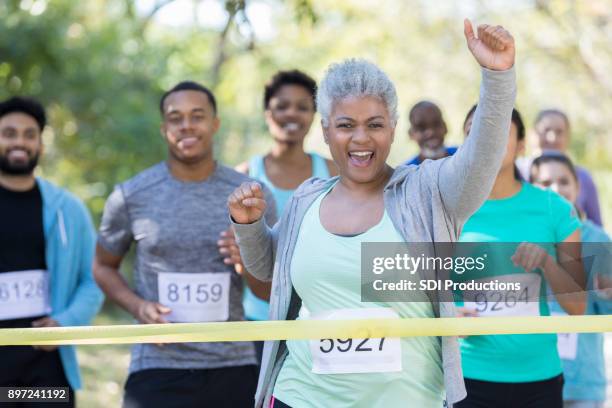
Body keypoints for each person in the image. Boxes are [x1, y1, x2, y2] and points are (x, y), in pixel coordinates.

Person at [229, 20, 517, 408]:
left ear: (394, 130)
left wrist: (496, 76)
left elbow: (482, 156)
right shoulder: (305, 200)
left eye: (375, 125)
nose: (361, 138)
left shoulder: (427, 192)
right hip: (301, 396)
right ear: (327, 131)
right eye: (346, 125)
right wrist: (248, 226)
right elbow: (267, 270)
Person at [93, 81, 275, 408]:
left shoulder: (252, 195)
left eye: (197, 116)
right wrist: (138, 307)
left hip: (232, 364)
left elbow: (267, 291)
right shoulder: (132, 195)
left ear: (215, 124)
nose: (186, 125)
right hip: (157, 364)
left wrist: (247, 260)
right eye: (176, 118)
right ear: (164, 129)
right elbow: (103, 266)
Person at [454, 107, 586, 408]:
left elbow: (577, 305)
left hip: (539, 378)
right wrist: (444, 309)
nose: (485, 137)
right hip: (468, 375)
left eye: (498, 128)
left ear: (522, 145)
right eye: (474, 129)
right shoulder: (448, 207)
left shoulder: (554, 208)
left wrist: (547, 263)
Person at [0, 96, 103, 406]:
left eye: (30, 135)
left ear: (41, 146)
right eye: (9, 133)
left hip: (46, 371)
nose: (20, 142)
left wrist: (65, 322)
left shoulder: (68, 209)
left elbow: (94, 277)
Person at [235, 70, 336, 352]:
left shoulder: (333, 173)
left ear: (314, 116)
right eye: (282, 106)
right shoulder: (242, 176)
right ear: (268, 113)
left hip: (317, 318)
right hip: (257, 318)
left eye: (302, 107)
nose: (292, 114)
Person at [531, 153, 612, 408]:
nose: (556, 188)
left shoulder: (597, 240)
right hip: (533, 379)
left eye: (564, 181)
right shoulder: (521, 238)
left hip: (583, 383)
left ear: (577, 187)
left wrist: (607, 294)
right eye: (545, 183)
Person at [517, 109, 603, 226]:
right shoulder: (516, 170)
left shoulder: (583, 177)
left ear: (568, 137)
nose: (552, 138)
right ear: (533, 134)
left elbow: (596, 224)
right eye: (546, 130)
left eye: (559, 132)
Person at [404, 100, 458, 165]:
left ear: (445, 127)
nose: (431, 132)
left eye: (436, 124)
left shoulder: (463, 157)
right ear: (411, 134)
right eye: (421, 127)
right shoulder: (408, 173)